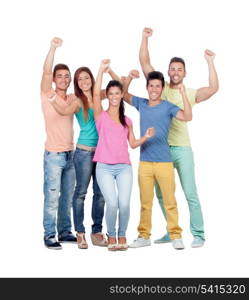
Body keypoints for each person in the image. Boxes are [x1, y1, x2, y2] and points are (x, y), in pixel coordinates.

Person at [139, 27, 219, 247]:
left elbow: (213, 88)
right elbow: (144, 62)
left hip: (182, 148)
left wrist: (210, 62)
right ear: (168, 71)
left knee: (190, 192)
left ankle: (199, 234)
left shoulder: (191, 93)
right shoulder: (160, 88)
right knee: (163, 195)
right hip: (160, 150)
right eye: (172, 68)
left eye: (179, 69)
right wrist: (145, 38)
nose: (175, 72)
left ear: (184, 73)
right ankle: (171, 232)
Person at [49, 66, 121, 249]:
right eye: (80, 79)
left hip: (102, 152)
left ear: (91, 80)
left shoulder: (99, 95)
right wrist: (52, 100)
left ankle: (96, 232)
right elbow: (64, 111)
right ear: (77, 83)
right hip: (84, 153)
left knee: (100, 194)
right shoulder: (78, 101)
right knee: (80, 193)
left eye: (86, 78)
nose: (84, 82)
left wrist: (109, 70)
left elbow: (120, 88)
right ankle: (80, 233)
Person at [123, 69, 192, 250]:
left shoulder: (168, 106)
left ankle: (176, 235)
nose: (154, 89)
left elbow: (187, 116)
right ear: (147, 87)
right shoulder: (141, 103)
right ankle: (143, 236)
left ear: (162, 89)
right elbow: (123, 94)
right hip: (145, 162)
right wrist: (129, 78)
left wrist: (184, 94)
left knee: (170, 201)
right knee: (145, 203)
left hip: (164, 162)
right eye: (151, 86)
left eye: (158, 86)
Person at [92, 60, 155, 251]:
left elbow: (133, 144)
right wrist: (101, 70)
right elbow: (95, 94)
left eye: (117, 93)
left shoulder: (127, 120)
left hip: (124, 167)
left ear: (121, 96)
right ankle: (111, 234)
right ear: (107, 96)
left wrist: (145, 137)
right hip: (103, 166)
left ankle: (121, 235)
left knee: (124, 204)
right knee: (112, 203)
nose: (113, 97)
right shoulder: (100, 116)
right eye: (110, 94)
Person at [41, 37, 76, 249]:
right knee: (52, 197)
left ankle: (64, 231)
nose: (63, 79)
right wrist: (53, 47)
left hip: (70, 154)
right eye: (59, 76)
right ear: (54, 79)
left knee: (67, 197)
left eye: (66, 76)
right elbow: (46, 71)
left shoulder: (72, 98)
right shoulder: (48, 94)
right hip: (53, 155)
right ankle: (49, 235)